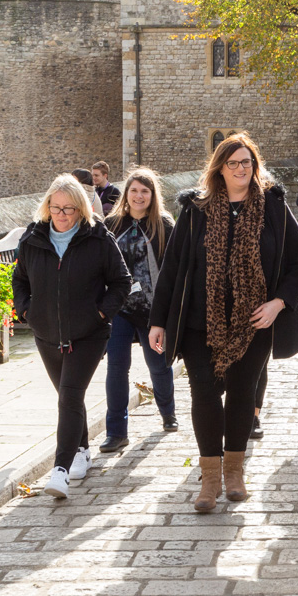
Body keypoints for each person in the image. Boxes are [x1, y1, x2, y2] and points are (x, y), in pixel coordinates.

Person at [148, 133, 298, 511]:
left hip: (252, 324)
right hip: (198, 323)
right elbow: (172, 269)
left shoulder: (272, 206)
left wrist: (278, 303)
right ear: (219, 168)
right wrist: (158, 321)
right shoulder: (196, 210)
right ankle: (209, 481)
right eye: (233, 163)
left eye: (247, 162)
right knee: (204, 395)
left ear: (255, 166)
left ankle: (234, 473)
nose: (241, 169)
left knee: (242, 393)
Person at [13, 174, 132, 499]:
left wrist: (101, 314)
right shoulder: (32, 240)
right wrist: (27, 311)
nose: (62, 215)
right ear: (47, 208)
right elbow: (19, 280)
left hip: (88, 335)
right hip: (47, 334)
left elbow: (122, 282)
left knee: (68, 395)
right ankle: (81, 450)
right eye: (56, 208)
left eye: (69, 209)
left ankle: (60, 470)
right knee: (70, 398)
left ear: (81, 210)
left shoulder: (98, 240)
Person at [101, 168, 179, 451]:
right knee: (117, 368)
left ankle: (168, 414)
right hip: (119, 307)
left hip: (152, 309)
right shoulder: (112, 224)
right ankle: (116, 431)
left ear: (152, 195)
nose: (138, 196)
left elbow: (174, 268)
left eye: (144, 191)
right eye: (134, 190)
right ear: (127, 193)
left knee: (159, 365)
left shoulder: (164, 224)